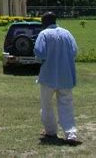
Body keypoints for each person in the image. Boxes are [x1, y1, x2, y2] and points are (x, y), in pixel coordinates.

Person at [34, 12, 79, 144]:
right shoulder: (67, 33)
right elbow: (75, 51)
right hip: (66, 76)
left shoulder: (44, 34)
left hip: (48, 76)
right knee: (66, 104)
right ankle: (70, 133)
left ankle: (51, 131)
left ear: (44, 22)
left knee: (46, 104)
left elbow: (40, 53)